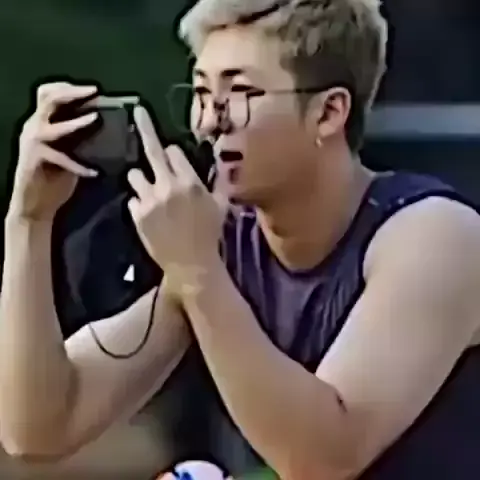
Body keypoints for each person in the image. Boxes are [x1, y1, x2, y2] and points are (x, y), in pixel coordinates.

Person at [2, 0, 480, 478]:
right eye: (202, 94)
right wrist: (29, 219)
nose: (209, 122)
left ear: (329, 112)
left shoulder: (435, 237)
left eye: (242, 93)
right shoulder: (225, 248)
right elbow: (40, 427)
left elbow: (323, 461)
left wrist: (197, 272)